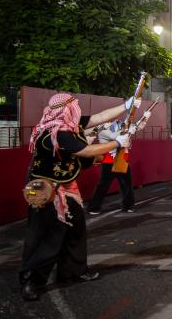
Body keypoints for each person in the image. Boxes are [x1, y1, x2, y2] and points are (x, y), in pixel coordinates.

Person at [19, 93, 135, 301]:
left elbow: (100, 117)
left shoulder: (69, 126)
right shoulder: (57, 133)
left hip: (67, 188)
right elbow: (86, 151)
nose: (78, 109)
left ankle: (73, 271)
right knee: (47, 236)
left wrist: (126, 105)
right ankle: (31, 280)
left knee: (76, 229)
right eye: (74, 106)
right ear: (66, 110)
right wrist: (117, 143)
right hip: (48, 192)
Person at [86, 108, 153, 214]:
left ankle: (128, 206)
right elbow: (115, 137)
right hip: (109, 161)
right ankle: (94, 207)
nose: (115, 119)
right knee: (103, 186)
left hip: (122, 160)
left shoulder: (122, 125)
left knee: (127, 185)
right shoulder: (103, 129)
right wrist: (128, 130)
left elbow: (137, 127)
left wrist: (145, 117)